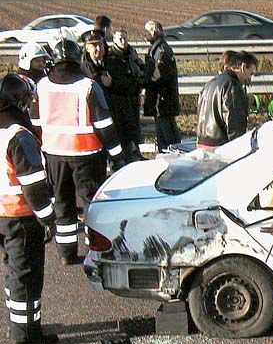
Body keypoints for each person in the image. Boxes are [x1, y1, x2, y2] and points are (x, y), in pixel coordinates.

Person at [32, 34, 123, 265]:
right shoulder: (88, 86)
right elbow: (105, 125)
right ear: (77, 58)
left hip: (53, 155)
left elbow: (35, 123)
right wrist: (117, 156)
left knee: (62, 205)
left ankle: (66, 254)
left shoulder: (42, 86)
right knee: (91, 203)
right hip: (87, 156)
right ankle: (98, 250)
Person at [0, 73, 58, 344]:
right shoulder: (19, 136)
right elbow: (34, 185)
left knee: (13, 272)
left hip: (2, 216)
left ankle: (19, 322)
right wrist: (47, 217)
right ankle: (26, 334)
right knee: (26, 276)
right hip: (20, 217)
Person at [195, 50, 257, 149]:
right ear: (243, 67)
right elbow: (234, 122)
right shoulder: (233, 86)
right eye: (251, 74)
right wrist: (238, 148)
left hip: (202, 143)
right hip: (219, 147)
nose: (250, 79)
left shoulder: (210, 83)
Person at [107, 28, 145, 164]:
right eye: (120, 39)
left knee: (135, 129)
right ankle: (126, 159)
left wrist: (139, 81)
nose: (123, 41)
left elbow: (140, 70)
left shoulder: (131, 53)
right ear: (114, 40)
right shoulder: (112, 57)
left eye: (125, 38)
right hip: (121, 100)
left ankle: (136, 153)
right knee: (124, 133)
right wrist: (131, 83)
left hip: (133, 97)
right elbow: (116, 81)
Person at [143, 21, 181, 152]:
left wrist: (144, 81)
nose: (146, 35)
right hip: (161, 101)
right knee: (164, 136)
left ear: (153, 32)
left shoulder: (161, 51)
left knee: (167, 139)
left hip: (163, 100)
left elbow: (159, 76)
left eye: (147, 32)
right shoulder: (158, 48)